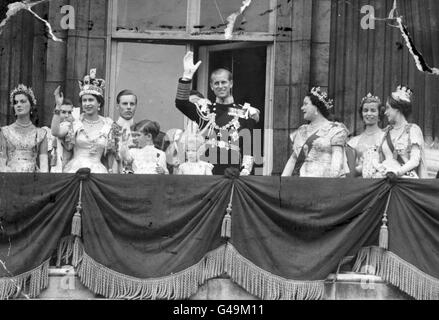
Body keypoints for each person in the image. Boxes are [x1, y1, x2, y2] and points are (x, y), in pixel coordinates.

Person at [175, 51, 260, 175]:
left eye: (224, 82)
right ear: (211, 86)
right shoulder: (205, 111)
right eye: (216, 83)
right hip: (206, 172)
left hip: (233, 174)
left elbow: (249, 148)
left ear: (231, 83)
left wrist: (245, 171)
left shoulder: (245, 112)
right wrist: (186, 77)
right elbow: (181, 103)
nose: (220, 86)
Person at [51, 69, 115, 173]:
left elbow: (110, 158)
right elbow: (55, 131)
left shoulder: (108, 126)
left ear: (99, 103)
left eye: (91, 100)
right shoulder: (75, 124)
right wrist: (58, 106)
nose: (87, 103)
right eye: (84, 100)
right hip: (75, 170)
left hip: (98, 172)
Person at [281, 87, 349, 177]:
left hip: (324, 184)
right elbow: (293, 159)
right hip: (301, 184)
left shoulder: (335, 129)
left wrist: (332, 185)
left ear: (316, 107)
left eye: (305, 104)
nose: (302, 108)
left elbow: (337, 161)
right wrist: (282, 183)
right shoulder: (302, 130)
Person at [111, 89, 169, 173]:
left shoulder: (141, 129)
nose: (128, 107)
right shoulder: (109, 129)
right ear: (117, 106)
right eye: (124, 104)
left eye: (132, 104)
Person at [376, 85, 427, 178]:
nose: (385, 112)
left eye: (388, 108)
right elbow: (378, 159)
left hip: (405, 181)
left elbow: (415, 160)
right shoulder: (384, 133)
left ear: (398, 109)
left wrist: (397, 173)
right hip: (384, 179)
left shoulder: (412, 130)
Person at [0, 84, 48, 173]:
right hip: (10, 179)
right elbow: (1, 163)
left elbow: (44, 167)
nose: (18, 105)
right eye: (16, 102)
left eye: (22, 101)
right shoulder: (5, 132)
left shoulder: (41, 134)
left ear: (31, 106)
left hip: (33, 180)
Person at [347, 93, 385, 178]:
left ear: (379, 114)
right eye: (365, 110)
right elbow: (351, 172)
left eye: (373, 110)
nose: (368, 113)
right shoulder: (353, 142)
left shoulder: (386, 137)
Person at [49, 89, 75, 172]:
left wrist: (58, 107)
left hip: (66, 169)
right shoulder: (46, 130)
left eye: (70, 112)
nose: (67, 115)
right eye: (63, 112)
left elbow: (55, 132)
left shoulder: (68, 125)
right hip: (55, 167)